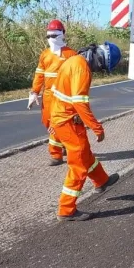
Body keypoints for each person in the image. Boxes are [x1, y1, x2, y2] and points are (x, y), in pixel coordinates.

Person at [48, 42, 122, 221]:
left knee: (85, 154)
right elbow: (79, 103)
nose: (100, 70)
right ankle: (66, 210)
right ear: (99, 58)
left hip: (62, 119)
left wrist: (52, 118)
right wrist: (97, 127)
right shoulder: (82, 69)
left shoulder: (72, 61)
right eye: (102, 66)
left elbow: (55, 92)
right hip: (68, 123)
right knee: (79, 165)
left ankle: (101, 181)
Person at [28, 19, 77, 165]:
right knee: (48, 122)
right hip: (48, 96)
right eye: (48, 36)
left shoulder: (71, 55)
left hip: (64, 97)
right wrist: (34, 92)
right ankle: (62, 145)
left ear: (63, 34)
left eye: (54, 36)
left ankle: (56, 155)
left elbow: (77, 78)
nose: (51, 39)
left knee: (60, 124)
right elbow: (39, 75)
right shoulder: (45, 55)